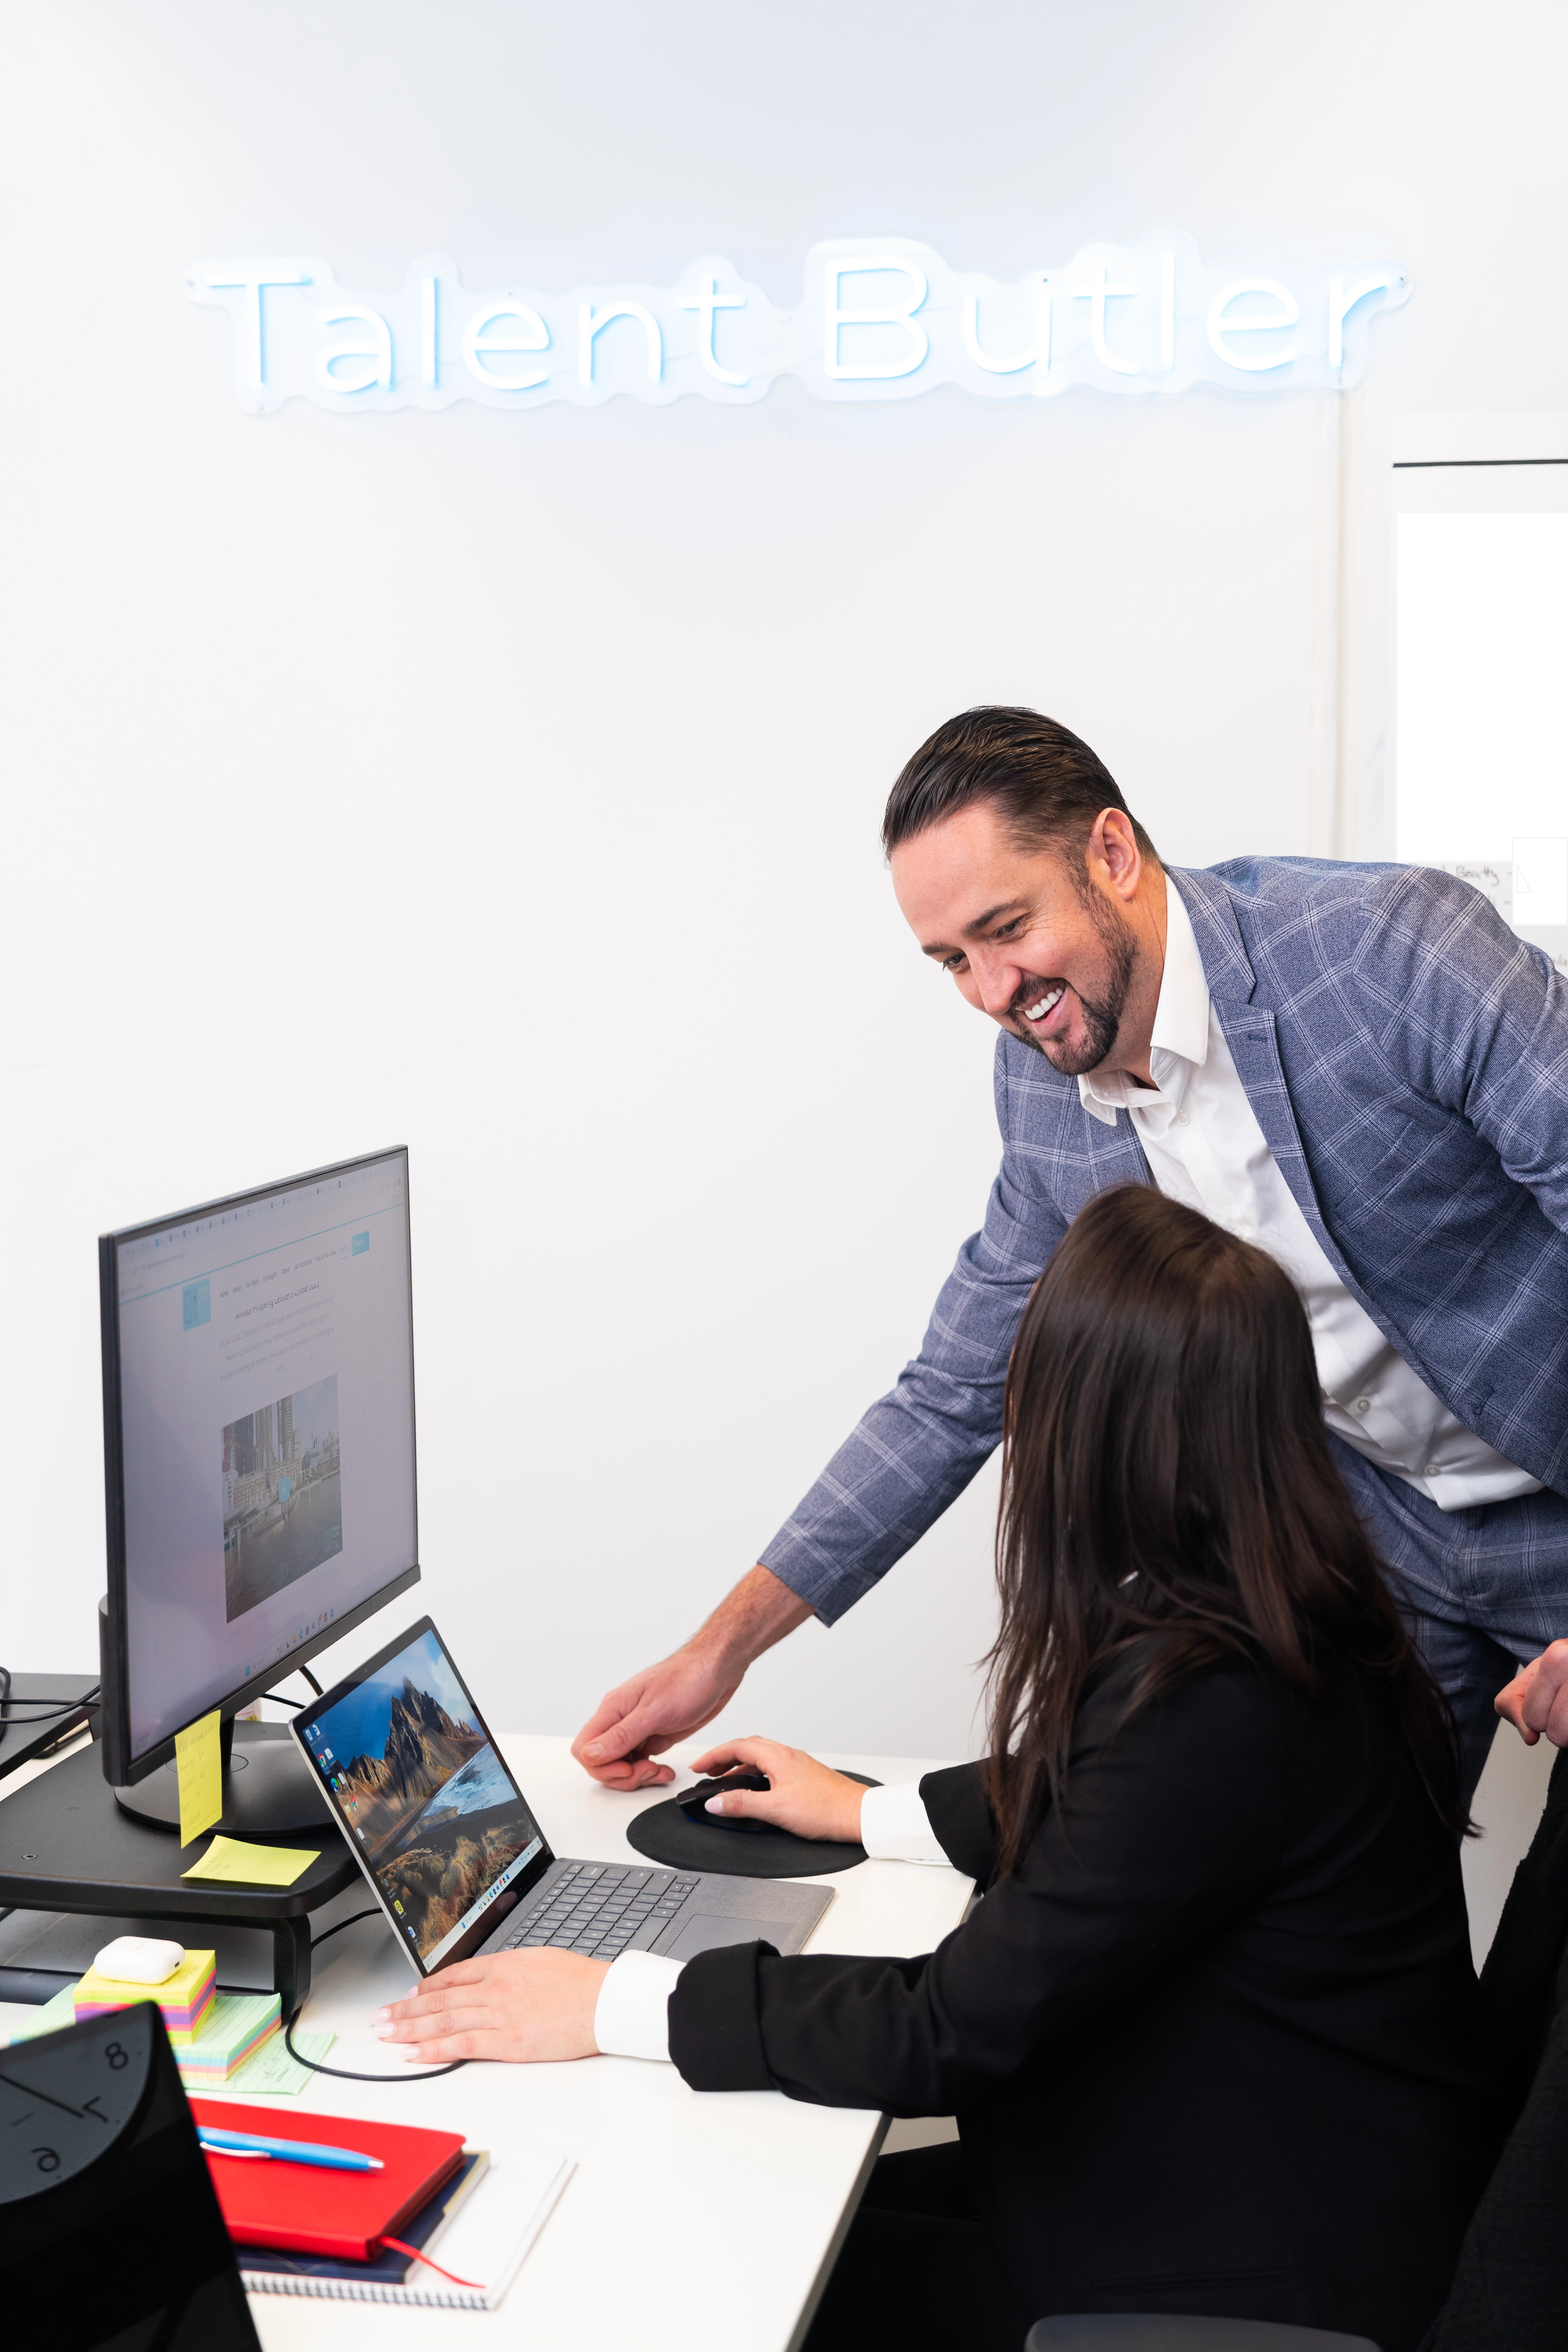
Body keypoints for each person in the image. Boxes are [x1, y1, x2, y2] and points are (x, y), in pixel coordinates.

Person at [376, 1191, 1488, 2352]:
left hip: (1218, 2285)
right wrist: (871, 1812)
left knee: (694, 2286)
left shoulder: (1219, 1707)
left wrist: (611, 2001)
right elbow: (1123, 1814)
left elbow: (950, 2026)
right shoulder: (1290, 1613)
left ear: (1089, 1427)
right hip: (1229, 2192)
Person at [572, 706, 1568, 1802]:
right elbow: (954, 1388)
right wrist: (727, 1646)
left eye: (1006, 929)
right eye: (952, 961)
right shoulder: (1044, 1093)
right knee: (1331, 1922)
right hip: (1379, 1543)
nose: (994, 993)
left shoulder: (1387, 952)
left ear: (1111, 850)